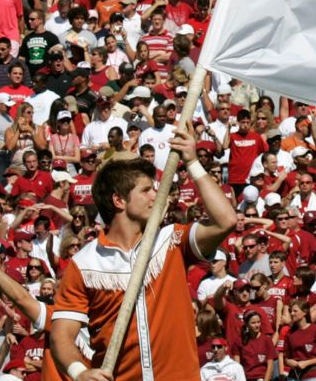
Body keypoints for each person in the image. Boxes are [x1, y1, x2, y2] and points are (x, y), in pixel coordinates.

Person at [51, 123, 237, 381]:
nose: (157, 196)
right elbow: (61, 335)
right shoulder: (84, 263)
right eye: (146, 190)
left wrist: (193, 162)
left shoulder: (171, 240)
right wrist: (79, 372)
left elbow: (226, 220)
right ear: (119, 200)